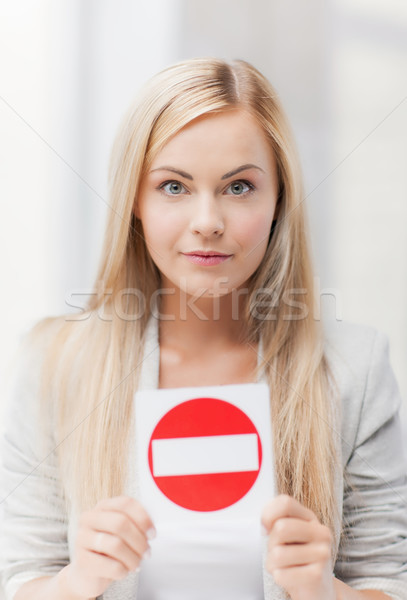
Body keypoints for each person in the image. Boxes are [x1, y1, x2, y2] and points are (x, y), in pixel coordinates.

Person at [1, 57, 407, 600]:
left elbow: (387, 580)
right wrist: (77, 582)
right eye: (173, 186)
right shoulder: (54, 364)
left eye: (239, 187)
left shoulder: (355, 370)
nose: (208, 221)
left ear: (279, 200)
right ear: (135, 204)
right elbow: (20, 577)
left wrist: (325, 591)